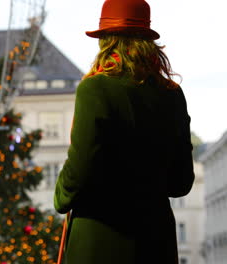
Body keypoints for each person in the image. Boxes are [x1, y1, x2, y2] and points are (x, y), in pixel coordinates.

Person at [53, 0, 195, 263]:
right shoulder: (173, 95)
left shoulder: (94, 88)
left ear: (106, 40)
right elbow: (181, 182)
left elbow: (80, 167)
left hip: (99, 240)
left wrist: (61, 196)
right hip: (156, 242)